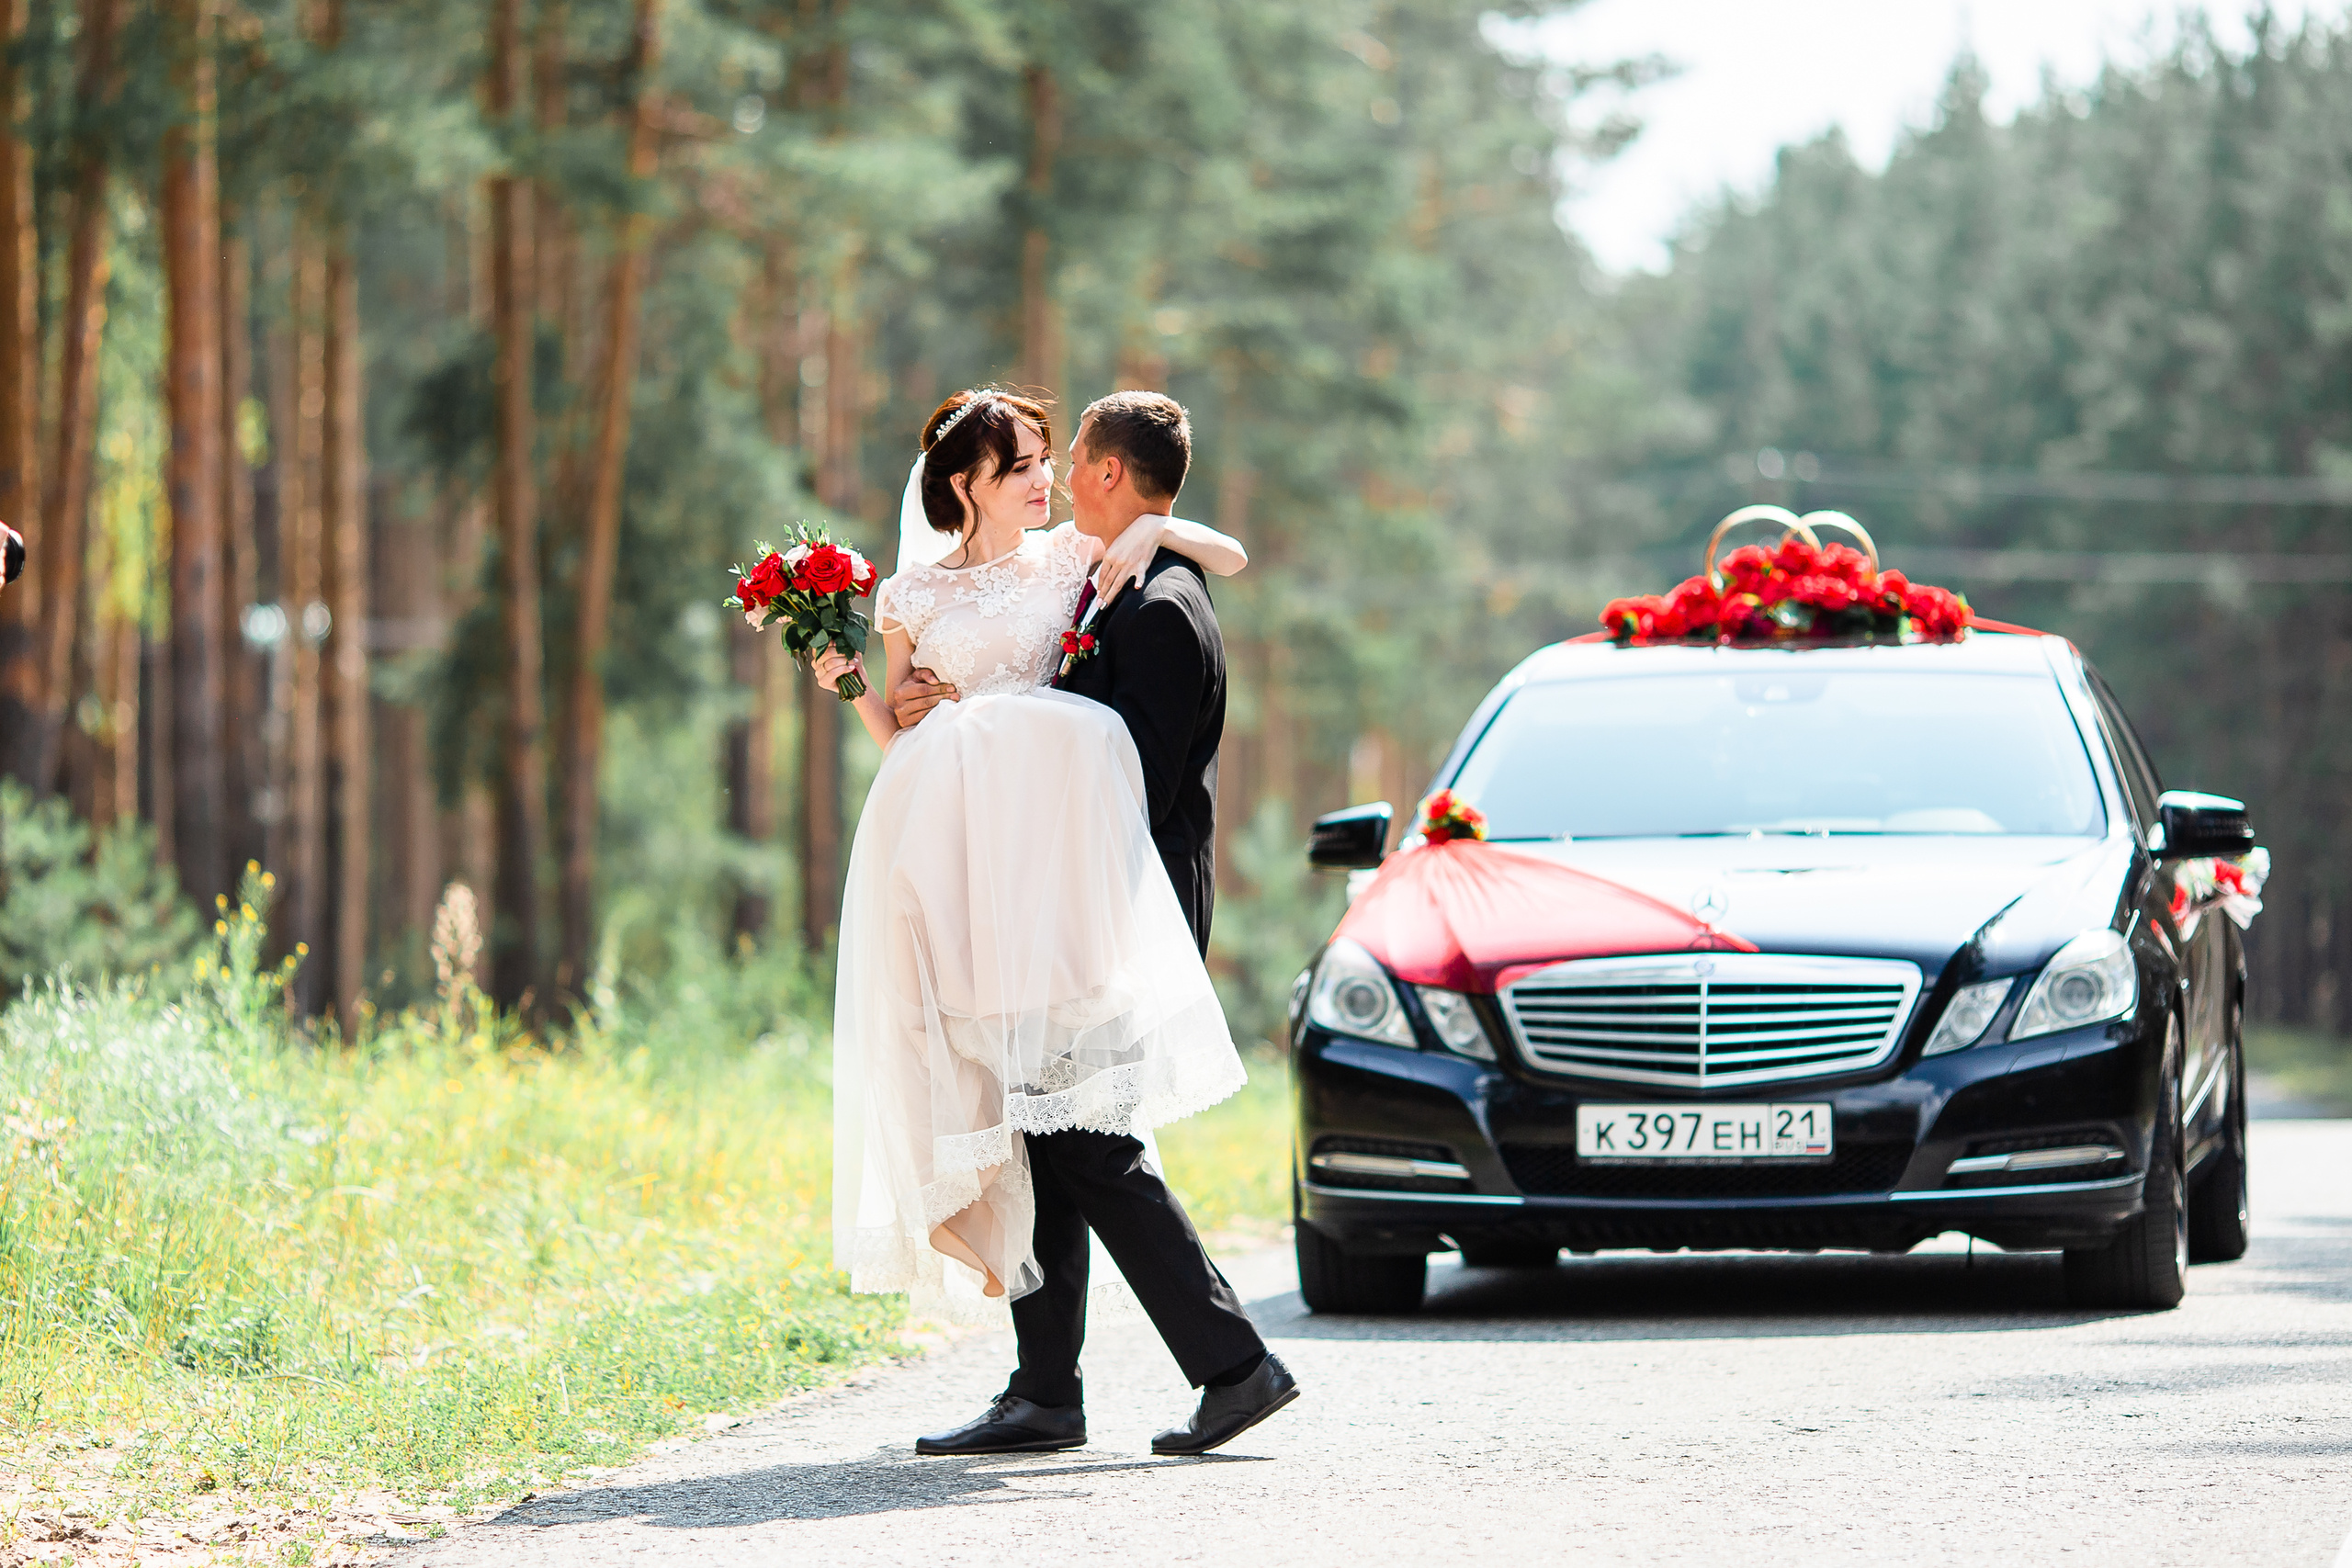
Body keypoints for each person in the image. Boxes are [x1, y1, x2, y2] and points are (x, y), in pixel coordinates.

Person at [812, 388, 1297, 1458]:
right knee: (1038, 1135)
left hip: (1070, 894)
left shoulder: (1082, 559)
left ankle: (1232, 1366)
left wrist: (1158, 528)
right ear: (963, 484)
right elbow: (912, 749)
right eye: (1022, 464)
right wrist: (857, 688)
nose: (1045, 479)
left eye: (1049, 457)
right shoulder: (914, 595)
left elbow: (1225, 557)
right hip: (980, 893)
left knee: (1082, 1135)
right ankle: (1047, 1392)